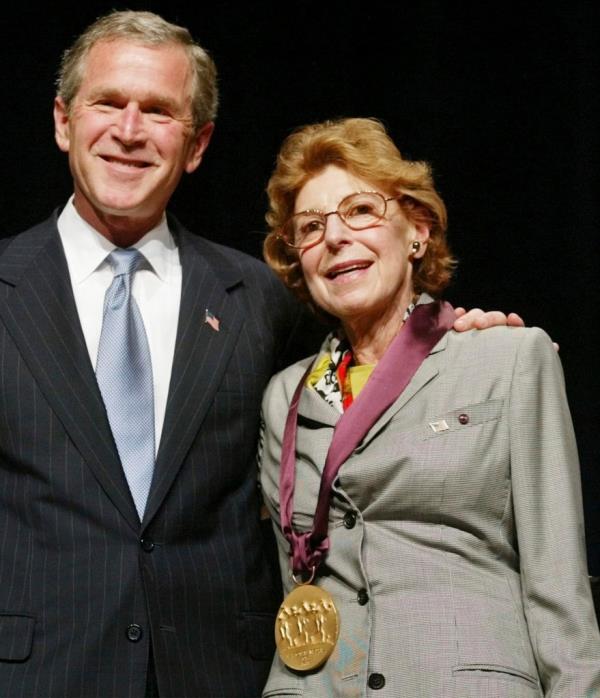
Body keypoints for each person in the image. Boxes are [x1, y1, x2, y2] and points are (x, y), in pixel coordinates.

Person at [0, 10, 525, 698]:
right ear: (65, 121)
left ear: (197, 143)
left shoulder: (259, 297)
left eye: (159, 111)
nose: (129, 131)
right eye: (109, 103)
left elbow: (368, 388)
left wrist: (448, 335)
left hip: (225, 673)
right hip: (35, 673)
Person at [259, 117, 600, 697]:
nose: (335, 237)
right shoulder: (285, 398)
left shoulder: (509, 357)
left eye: (360, 211)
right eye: (310, 227)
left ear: (417, 230)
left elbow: (558, 583)